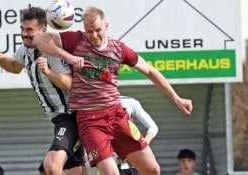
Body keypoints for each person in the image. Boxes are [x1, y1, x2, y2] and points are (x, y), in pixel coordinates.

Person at [32, 6, 193, 175]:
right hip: (90, 123)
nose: (94, 36)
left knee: (153, 170)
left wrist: (176, 98)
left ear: (106, 26)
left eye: (98, 30)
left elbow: (151, 71)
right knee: (111, 173)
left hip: (117, 116)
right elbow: (39, 40)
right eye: (89, 31)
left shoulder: (119, 49)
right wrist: (69, 57)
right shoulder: (76, 40)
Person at [0, 7, 85, 175]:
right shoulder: (25, 49)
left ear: (43, 31)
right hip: (60, 119)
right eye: (22, 29)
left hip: (71, 116)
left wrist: (49, 72)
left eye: (29, 30)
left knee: (52, 166)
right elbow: (15, 66)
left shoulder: (52, 52)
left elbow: (71, 84)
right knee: (76, 172)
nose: (24, 33)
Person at [116, 96, 158, 175]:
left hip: (132, 166)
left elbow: (153, 127)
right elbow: (93, 151)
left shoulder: (129, 102)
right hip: (112, 166)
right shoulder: (94, 106)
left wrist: (143, 144)